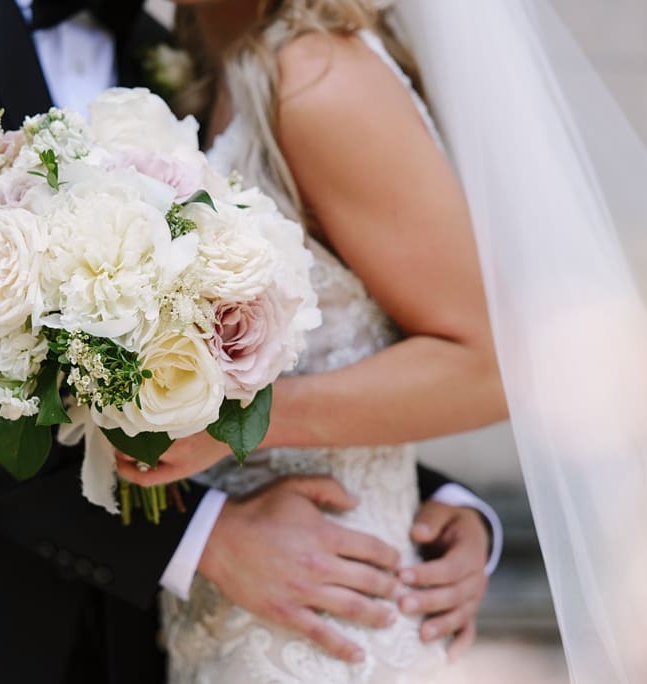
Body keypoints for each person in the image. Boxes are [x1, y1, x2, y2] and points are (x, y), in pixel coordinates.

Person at [0, 0, 502, 682]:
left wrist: (425, 508)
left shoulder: (169, 54)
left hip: (149, 644)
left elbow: (242, 348)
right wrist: (205, 538)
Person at [115, 0, 508, 681]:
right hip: (235, 610)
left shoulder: (319, 76)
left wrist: (234, 423)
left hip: (335, 630)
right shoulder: (215, 61)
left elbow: (490, 371)